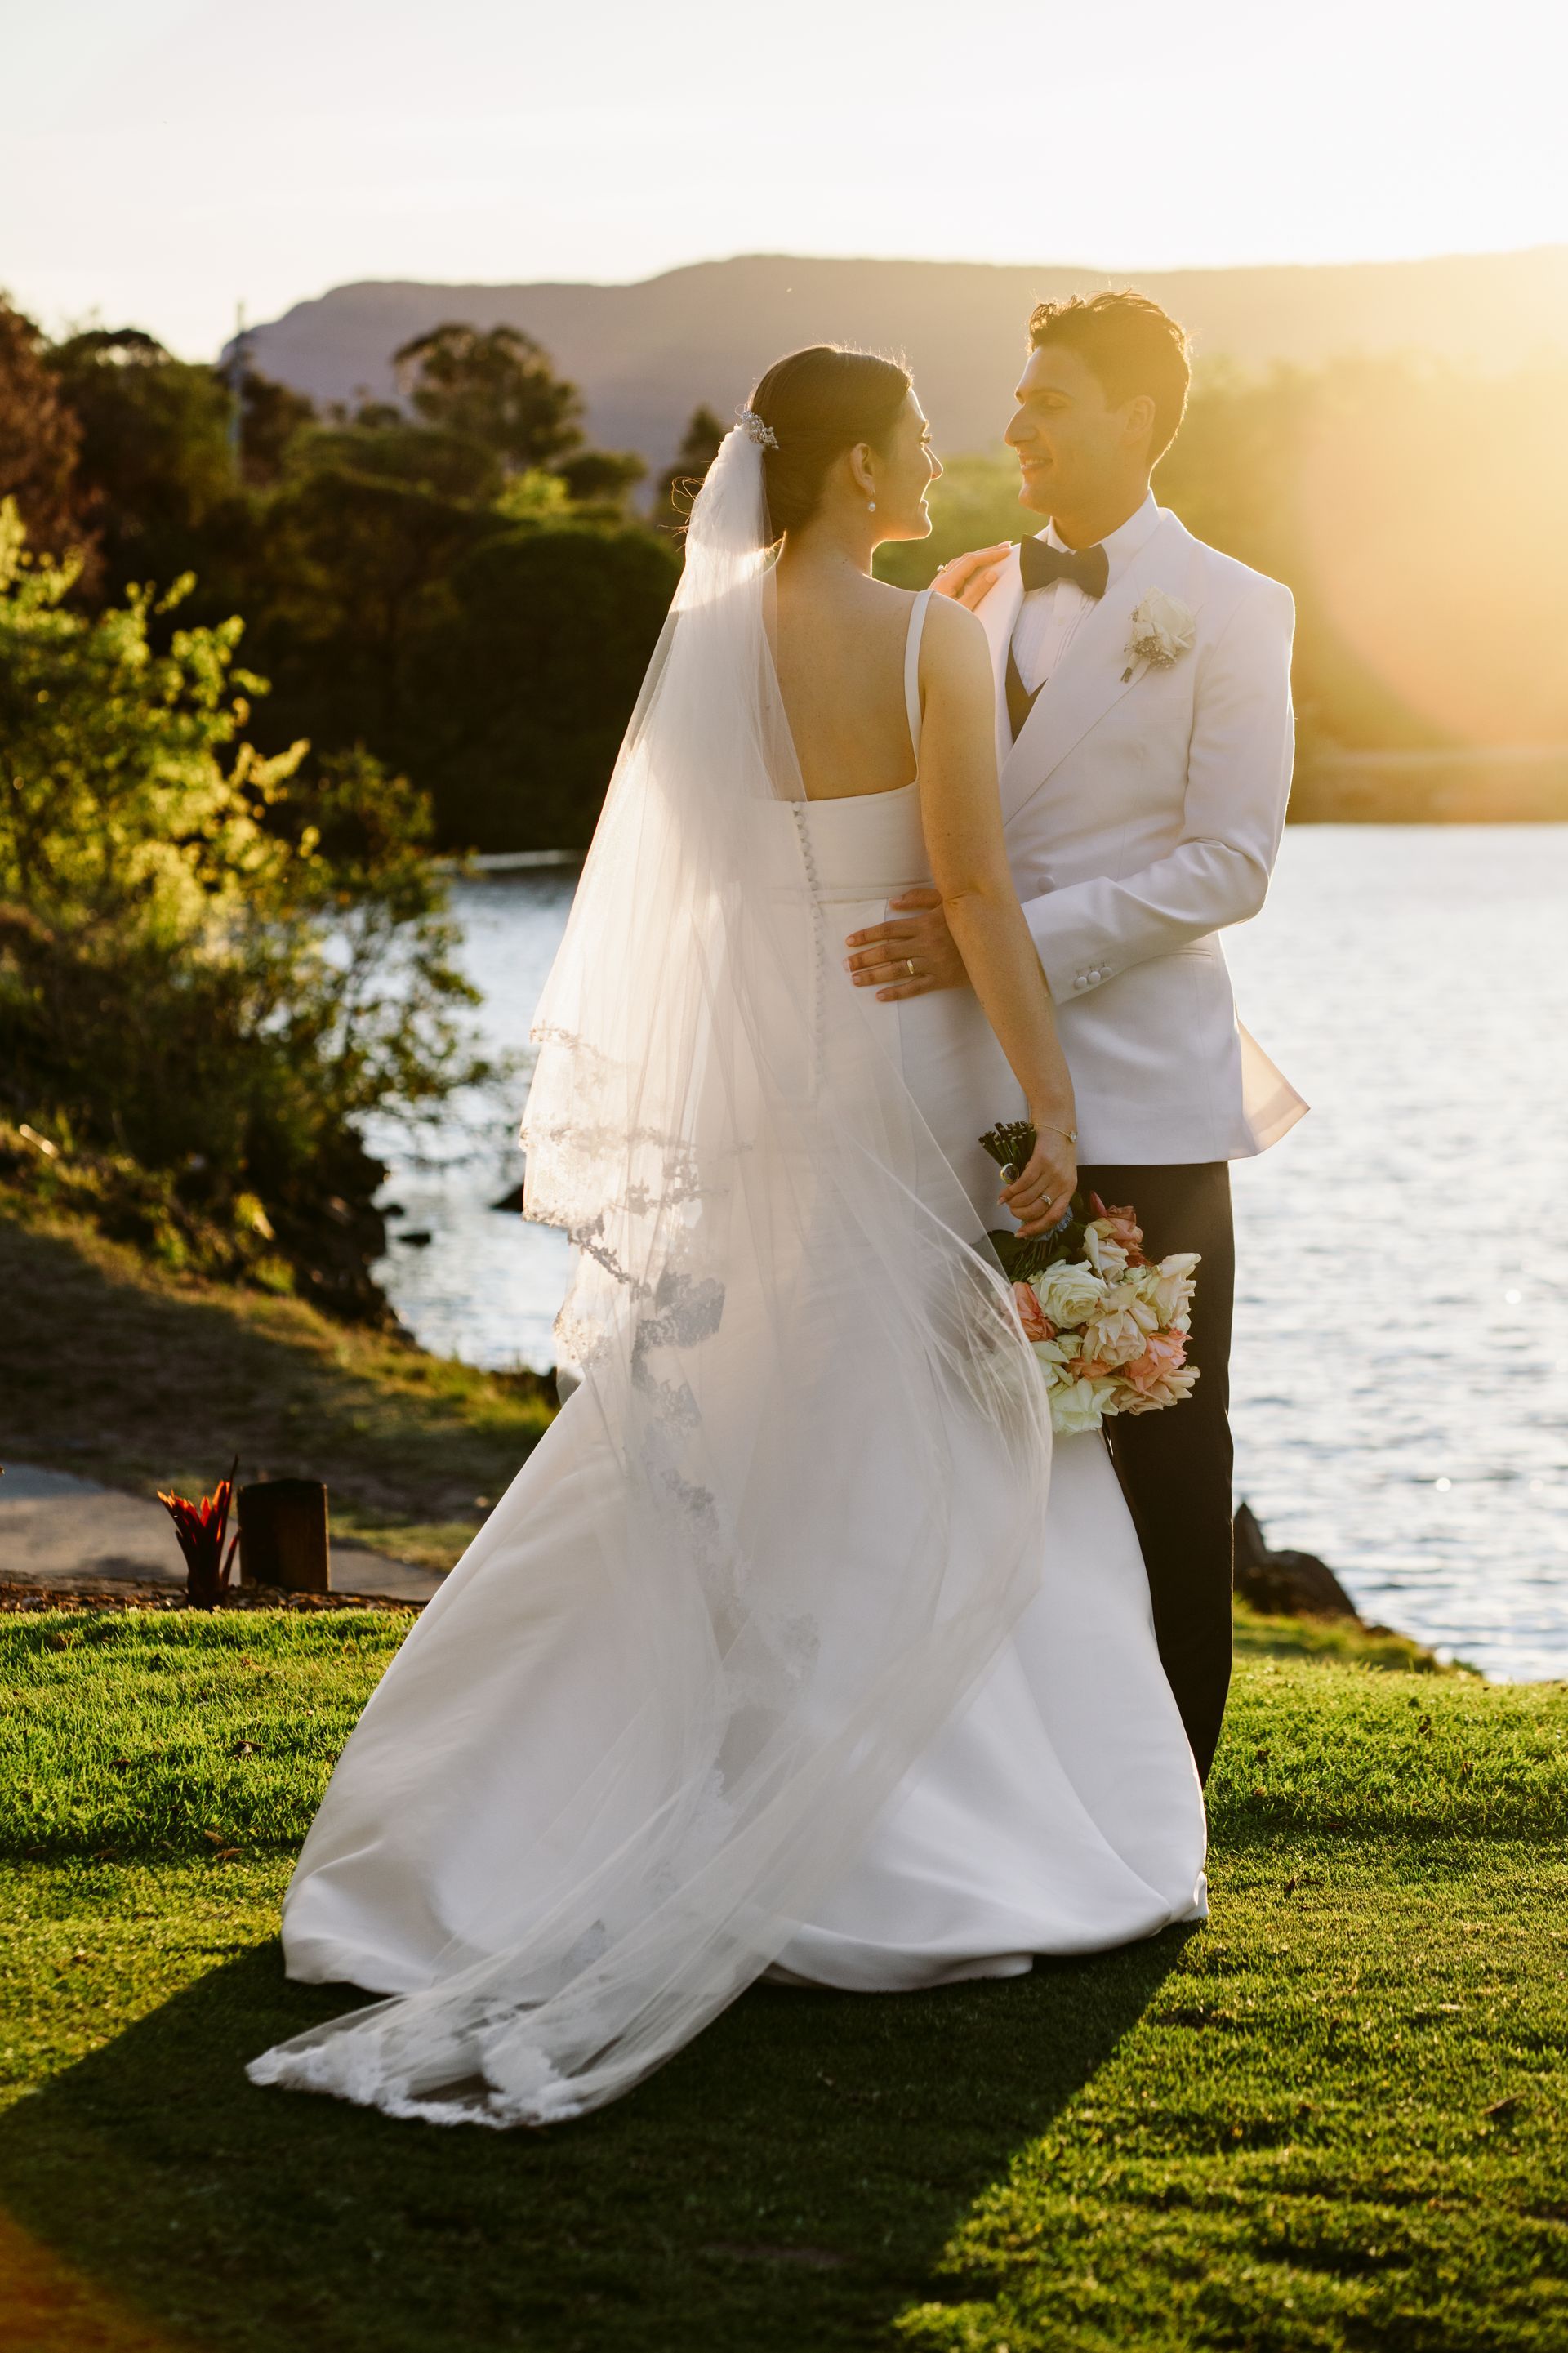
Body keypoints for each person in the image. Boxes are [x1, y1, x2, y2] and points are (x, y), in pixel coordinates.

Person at [247, 345, 1205, 2132]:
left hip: (765, 1069)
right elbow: (976, 887)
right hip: (902, 1054)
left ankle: (496, 1828)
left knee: (748, 1407)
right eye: (916, 438)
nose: (938, 459)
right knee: (921, 1420)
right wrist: (1052, 1103)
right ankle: (945, 1842)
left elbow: (691, 892)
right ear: (852, 471)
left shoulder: (702, 646)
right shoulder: (930, 634)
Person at [844, 294, 1306, 1780]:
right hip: (953, 1095)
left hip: (1148, 1104)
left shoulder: (1236, 606)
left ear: (1138, 422)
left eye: (1047, 401)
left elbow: (1232, 862)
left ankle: (1174, 1791)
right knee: (973, 1451)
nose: (1015, 427)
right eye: (1016, 399)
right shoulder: (964, 598)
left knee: (1169, 1452)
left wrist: (1005, 943)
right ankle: (1004, 1793)